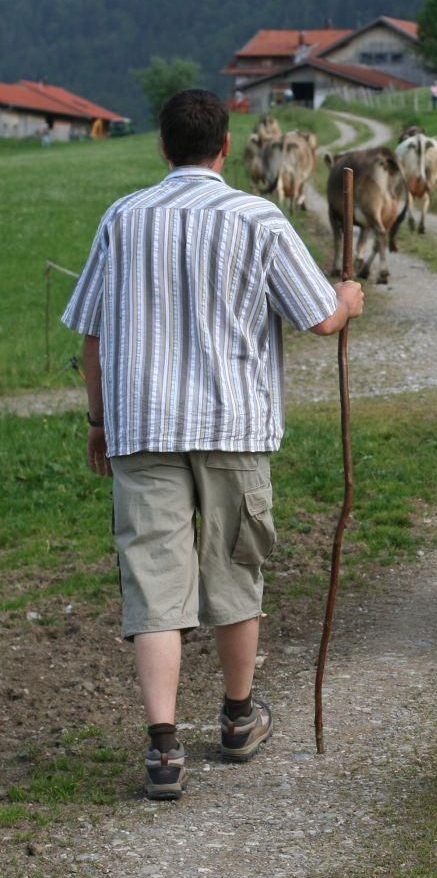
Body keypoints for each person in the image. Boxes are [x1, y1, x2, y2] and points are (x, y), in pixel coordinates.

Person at [61, 89, 364, 801]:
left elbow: (93, 338)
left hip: (141, 429)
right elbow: (320, 319)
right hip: (234, 425)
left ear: (162, 147)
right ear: (227, 148)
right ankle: (235, 719)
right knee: (235, 574)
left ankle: (164, 749)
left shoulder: (123, 218)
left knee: (155, 587)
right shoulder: (258, 218)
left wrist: (98, 423)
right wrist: (348, 299)